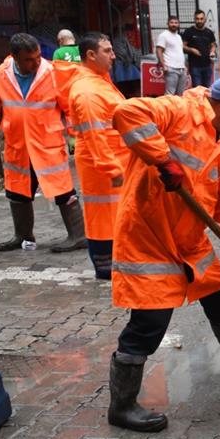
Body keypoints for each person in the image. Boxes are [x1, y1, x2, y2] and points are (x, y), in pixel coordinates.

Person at [107, 75, 220, 432]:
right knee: (149, 324)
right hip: (149, 235)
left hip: (189, 239)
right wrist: (163, 159)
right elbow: (127, 112)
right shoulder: (179, 109)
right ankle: (121, 407)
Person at [0, 33, 86, 253]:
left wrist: (74, 135)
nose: (37, 62)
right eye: (30, 59)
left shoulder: (51, 73)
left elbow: (69, 107)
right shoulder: (2, 74)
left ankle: (78, 235)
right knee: (18, 192)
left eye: (38, 56)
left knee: (63, 190)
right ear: (15, 57)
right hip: (18, 145)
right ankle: (23, 236)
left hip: (47, 144)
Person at [64, 31, 130, 280]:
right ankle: (106, 268)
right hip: (103, 167)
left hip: (110, 163)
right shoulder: (88, 91)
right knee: (103, 218)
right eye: (108, 51)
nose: (114, 55)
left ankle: (112, 265)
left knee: (111, 216)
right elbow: (94, 135)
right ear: (91, 55)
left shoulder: (99, 81)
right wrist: (112, 169)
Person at [180, 11, 217, 89]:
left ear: (205, 19)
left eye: (201, 19)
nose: (199, 21)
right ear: (194, 19)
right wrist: (192, 50)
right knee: (197, 89)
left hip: (207, 65)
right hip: (195, 66)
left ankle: (206, 101)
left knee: (208, 88)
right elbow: (183, 46)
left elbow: (213, 45)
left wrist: (212, 51)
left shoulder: (209, 32)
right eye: (197, 19)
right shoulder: (189, 31)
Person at [154, 16, 187, 95]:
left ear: (178, 24)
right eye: (171, 22)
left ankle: (178, 108)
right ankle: (168, 108)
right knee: (170, 94)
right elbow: (159, 50)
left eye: (176, 23)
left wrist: (184, 66)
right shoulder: (164, 35)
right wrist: (164, 65)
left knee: (180, 94)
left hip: (181, 69)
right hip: (171, 68)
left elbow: (179, 52)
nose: (174, 24)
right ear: (167, 24)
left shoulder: (178, 37)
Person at [111, 24, 143, 98]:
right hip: (122, 65)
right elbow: (124, 54)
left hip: (125, 65)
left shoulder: (122, 40)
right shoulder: (119, 41)